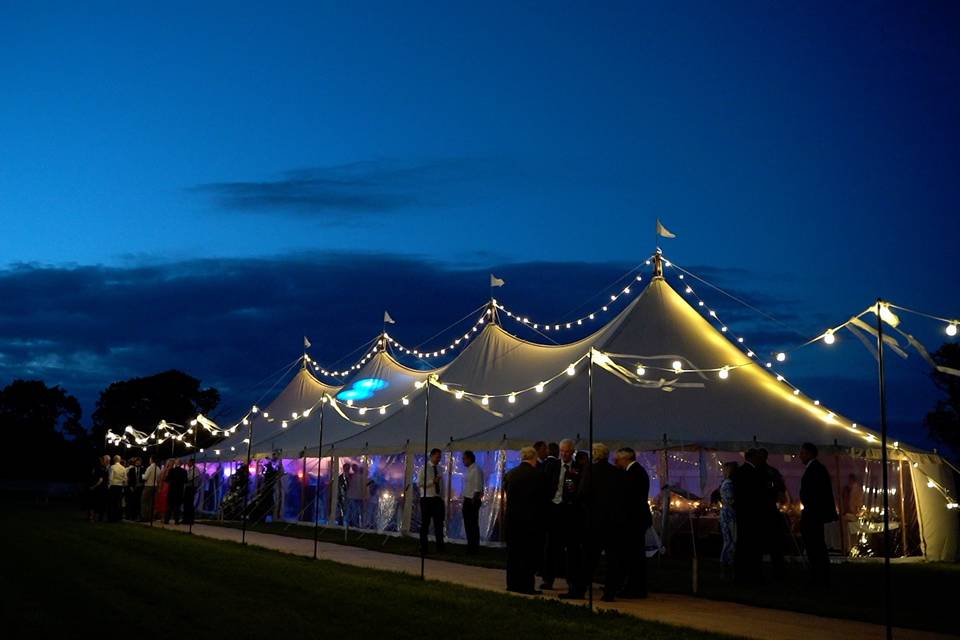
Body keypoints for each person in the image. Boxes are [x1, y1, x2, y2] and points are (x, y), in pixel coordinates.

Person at [580, 443, 625, 602]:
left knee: (589, 557)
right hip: (612, 520)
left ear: (595, 454)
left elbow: (583, 492)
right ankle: (610, 592)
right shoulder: (616, 472)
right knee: (612, 559)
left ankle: (580, 589)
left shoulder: (590, 470)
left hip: (594, 519)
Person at [503, 446, 548, 594]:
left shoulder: (510, 474)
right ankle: (526, 585)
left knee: (513, 554)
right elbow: (542, 499)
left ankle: (512, 583)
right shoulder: (538, 475)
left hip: (512, 519)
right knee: (528, 554)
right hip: (530, 520)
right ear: (534, 457)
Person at [799, 442, 838, 586]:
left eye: (802, 453)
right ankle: (819, 574)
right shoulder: (817, 469)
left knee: (815, 545)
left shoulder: (815, 469)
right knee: (815, 545)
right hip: (813, 513)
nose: (800, 456)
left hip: (813, 514)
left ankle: (819, 576)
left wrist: (808, 508)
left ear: (809, 454)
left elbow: (815, 494)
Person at [615, 447, 652, 598]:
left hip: (633, 520)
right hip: (638, 519)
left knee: (633, 555)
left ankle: (634, 588)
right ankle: (637, 587)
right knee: (636, 555)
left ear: (626, 459)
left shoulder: (633, 474)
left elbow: (629, 499)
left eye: (618, 459)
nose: (617, 462)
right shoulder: (639, 472)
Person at [542, 439, 578, 591]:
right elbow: (544, 484)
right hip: (554, 508)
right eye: (562, 451)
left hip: (569, 511)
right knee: (551, 546)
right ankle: (548, 579)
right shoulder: (552, 465)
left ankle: (571, 580)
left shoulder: (578, 467)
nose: (563, 454)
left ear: (572, 452)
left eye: (567, 451)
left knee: (571, 547)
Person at [732, 449, 764, 584]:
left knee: (743, 542)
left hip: (742, 513)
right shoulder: (753, 473)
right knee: (751, 543)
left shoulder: (738, 472)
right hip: (751, 513)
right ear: (752, 458)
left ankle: (741, 572)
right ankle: (751, 573)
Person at [756, 448, 787, 576]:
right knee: (774, 543)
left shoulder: (759, 471)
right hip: (769, 510)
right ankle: (778, 570)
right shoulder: (772, 472)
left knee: (762, 542)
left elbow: (780, 491)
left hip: (762, 511)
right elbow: (781, 491)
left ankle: (765, 570)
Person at [419, 448, 445, 553]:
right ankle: (424, 546)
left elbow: (442, 484)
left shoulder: (440, 469)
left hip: (437, 499)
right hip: (427, 499)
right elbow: (420, 483)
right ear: (432, 456)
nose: (439, 459)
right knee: (425, 523)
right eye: (437, 456)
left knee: (439, 523)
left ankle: (440, 547)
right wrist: (432, 482)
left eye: (440, 457)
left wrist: (442, 496)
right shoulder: (424, 469)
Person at [718, 461, 738, 579]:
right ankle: (727, 564)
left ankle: (726, 565)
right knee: (730, 540)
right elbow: (730, 501)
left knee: (728, 540)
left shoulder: (725, 483)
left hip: (726, 513)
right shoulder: (729, 484)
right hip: (729, 514)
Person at [461, 450, 484, 553]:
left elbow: (478, 486)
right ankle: (471, 545)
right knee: (468, 524)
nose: (463, 461)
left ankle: (474, 547)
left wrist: (474, 500)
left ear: (469, 458)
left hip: (472, 500)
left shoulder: (476, 470)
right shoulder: (470, 469)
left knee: (472, 524)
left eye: (464, 458)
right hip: (468, 498)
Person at [841, 473, 864, 549]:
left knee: (852, 533)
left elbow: (857, 502)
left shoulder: (856, 489)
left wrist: (856, 511)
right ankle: (851, 547)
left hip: (853, 514)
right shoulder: (854, 489)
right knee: (851, 533)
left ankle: (852, 547)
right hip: (852, 514)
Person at [164, 460, 188, 525]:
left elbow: (167, 479)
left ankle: (166, 520)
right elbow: (186, 481)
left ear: (175, 464)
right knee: (177, 507)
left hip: (172, 490)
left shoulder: (172, 470)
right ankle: (176, 520)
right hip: (179, 491)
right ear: (181, 464)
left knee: (169, 506)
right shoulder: (184, 471)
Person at [108, 455, 127, 522]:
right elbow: (125, 479)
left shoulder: (112, 467)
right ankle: (118, 517)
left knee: (112, 502)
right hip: (120, 486)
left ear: (114, 460)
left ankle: (112, 517)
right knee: (119, 502)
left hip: (113, 486)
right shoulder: (123, 468)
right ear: (119, 460)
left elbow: (110, 477)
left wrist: (109, 486)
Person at [140, 456, 159, 521]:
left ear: (151, 460)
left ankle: (144, 517)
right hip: (155, 486)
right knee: (151, 502)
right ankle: (150, 517)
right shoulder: (158, 468)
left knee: (144, 501)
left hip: (148, 486)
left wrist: (142, 475)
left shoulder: (150, 467)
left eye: (150, 459)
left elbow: (145, 477)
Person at [346, 462, 364, 527]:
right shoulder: (351, 476)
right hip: (352, 496)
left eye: (355, 467)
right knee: (353, 511)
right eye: (353, 468)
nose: (354, 469)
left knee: (356, 511)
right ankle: (353, 524)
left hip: (357, 497)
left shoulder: (360, 477)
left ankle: (355, 524)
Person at [183, 459, 200, 525]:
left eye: (188, 462)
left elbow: (189, 478)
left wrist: (184, 478)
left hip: (192, 488)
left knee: (189, 503)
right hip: (188, 487)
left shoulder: (195, 470)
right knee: (186, 503)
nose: (187, 463)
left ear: (192, 463)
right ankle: (185, 519)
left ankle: (190, 520)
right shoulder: (189, 469)